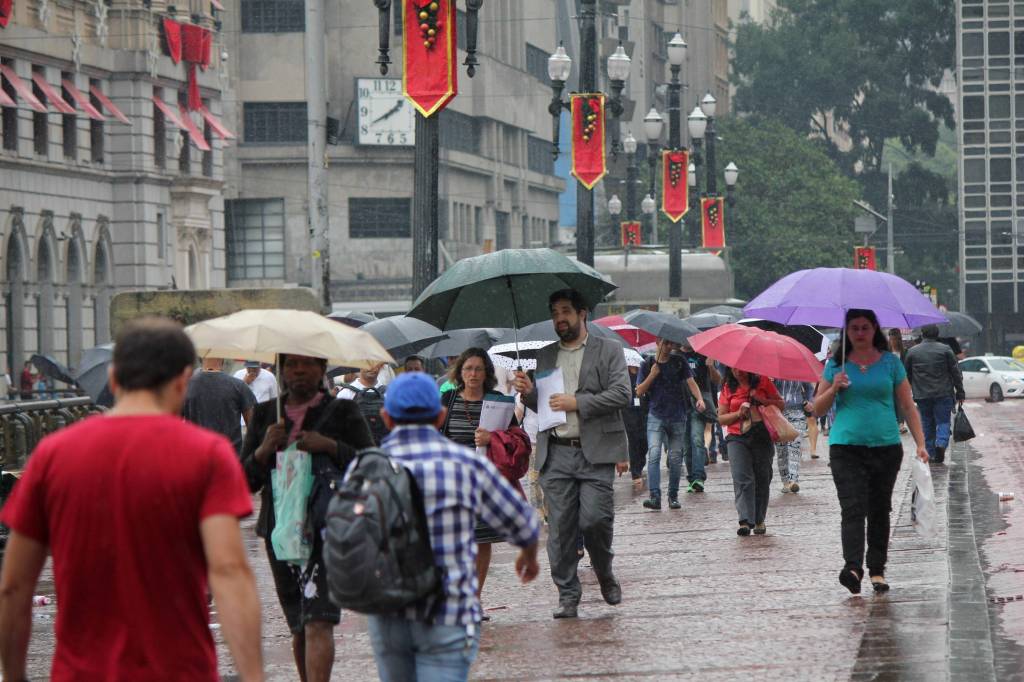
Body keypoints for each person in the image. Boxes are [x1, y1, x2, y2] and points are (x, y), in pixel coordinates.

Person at [0, 317, 263, 681]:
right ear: (183, 381)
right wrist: (253, 675)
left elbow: (14, 585)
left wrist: (13, 675)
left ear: (113, 379)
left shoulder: (53, 455)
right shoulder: (208, 456)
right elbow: (229, 572)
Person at [368, 372, 540, 681]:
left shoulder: (367, 467)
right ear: (440, 416)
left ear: (386, 418)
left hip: (390, 611)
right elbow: (523, 522)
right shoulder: (466, 465)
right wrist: (527, 556)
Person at [241, 354, 374, 682]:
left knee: (319, 619)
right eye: (290, 365)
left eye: (307, 364)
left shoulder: (342, 411)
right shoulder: (264, 414)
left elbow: (370, 464)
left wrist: (329, 445)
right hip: (280, 533)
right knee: (299, 624)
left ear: (322, 369)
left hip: (327, 529)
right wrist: (263, 450)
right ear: (282, 370)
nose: (298, 371)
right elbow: (243, 481)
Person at [513, 289, 632, 619]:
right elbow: (545, 404)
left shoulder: (608, 350)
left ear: (583, 314)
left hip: (596, 453)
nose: (559, 319)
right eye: (554, 313)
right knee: (562, 529)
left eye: (565, 311)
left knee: (595, 520)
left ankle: (604, 571)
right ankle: (568, 593)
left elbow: (622, 393)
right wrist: (527, 393)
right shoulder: (545, 355)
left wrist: (577, 402)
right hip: (557, 453)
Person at [814, 309, 930, 594]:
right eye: (854, 328)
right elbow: (817, 408)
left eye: (865, 327)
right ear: (846, 331)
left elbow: (907, 405)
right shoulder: (835, 365)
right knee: (852, 507)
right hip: (845, 447)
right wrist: (835, 388)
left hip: (886, 447)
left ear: (875, 328)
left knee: (880, 509)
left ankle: (877, 569)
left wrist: (921, 444)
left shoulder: (891, 363)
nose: (860, 333)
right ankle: (852, 567)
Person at [438, 348, 525, 615]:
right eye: (467, 369)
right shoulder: (447, 399)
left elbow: (514, 437)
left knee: (481, 539)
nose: (473, 374)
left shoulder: (497, 400)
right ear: (459, 372)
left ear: (487, 372)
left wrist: (492, 439)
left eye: (478, 369)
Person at [635, 339, 706, 509]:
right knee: (654, 455)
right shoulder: (647, 363)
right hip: (655, 415)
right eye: (665, 343)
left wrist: (700, 399)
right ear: (658, 342)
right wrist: (652, 374)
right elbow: (638, 391)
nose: (669, 347)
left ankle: (673, 496)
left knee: (675, 458)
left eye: (671, 344)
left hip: (677, 415)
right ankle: (655, 496)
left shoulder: (679, 361)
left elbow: (691, 382)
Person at [718, 367, 785, 536]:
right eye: (733, 368)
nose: (737, 372)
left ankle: (759, 518)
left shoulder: (762, 380)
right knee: (742, 477)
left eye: (741, 369)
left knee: (763, 476)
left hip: (761, 434)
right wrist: (738, 414)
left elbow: (781, 404)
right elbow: (721, 418)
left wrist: (761, 399)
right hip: (736, 436)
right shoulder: (728, 386)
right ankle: (745, 521)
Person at [904, 324, 966, 465]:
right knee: (943, 421)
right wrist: (960, 392)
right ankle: (941, 444)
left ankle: (931, 453)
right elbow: (955, 373)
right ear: (937, 335)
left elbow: (906, 375)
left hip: (922, 395)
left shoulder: (912, 352)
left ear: (922, 334)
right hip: (943, 393)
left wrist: (907, 393)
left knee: (927, 423)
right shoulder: (945, 350)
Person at [182, 357, 258, 456]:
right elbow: (254, 427)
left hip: (196, 457)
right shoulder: (238, 386)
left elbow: (171, 424)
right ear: (223, 358)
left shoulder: (184, 387)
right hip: (230, 458)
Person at [682, 342, 720, 471]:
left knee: (697, 438)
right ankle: (692, 476)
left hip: (701, 402)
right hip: (682, 403)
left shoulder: (703, 355)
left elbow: (717, 380)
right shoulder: (676, 356)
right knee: (687, 445)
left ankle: (698, 476)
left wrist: (711, 366)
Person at [775, 380, 815, 493]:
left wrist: (809, 401)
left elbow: (809, 388)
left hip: (797, 412)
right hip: (778, 413)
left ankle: (794, 480)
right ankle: (785, 482)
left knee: (795, 446)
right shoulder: (773, 369)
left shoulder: (798, 369)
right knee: (781, 450)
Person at [622, 356, 648, 491]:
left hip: (643, 410)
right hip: (628, 411)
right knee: (633, 440)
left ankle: (640, 463)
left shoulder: (644, 373)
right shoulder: (623, 374)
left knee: (644, 440)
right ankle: (635, 472)